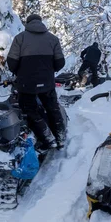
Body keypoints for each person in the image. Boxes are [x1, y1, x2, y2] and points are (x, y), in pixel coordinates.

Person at [7, 14, 66, 149]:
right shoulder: (53, 39)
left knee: (30, 110)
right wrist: (50, 70)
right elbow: (60, 62)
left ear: (27, 23)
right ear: (41, 22)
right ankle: (60, 137)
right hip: (47, 83)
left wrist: (18, 72)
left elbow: (11, 62)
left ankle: (48, 138)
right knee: (53, 108)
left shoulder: (20, 38)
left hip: (26, 83)